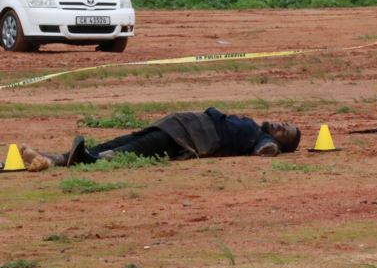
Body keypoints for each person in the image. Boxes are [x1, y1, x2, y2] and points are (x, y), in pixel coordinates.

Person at [20, 107, 301, 172]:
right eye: (284, 122)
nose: (280, 125)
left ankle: (87, 161)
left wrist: (271, 147)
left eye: (284, 130)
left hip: (189, 139)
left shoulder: (260, 139)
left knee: (134, 149)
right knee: (123, 140)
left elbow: (268, 150)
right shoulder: (252, 124)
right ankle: (52, 158)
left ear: (283, 142)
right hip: (179, 125)